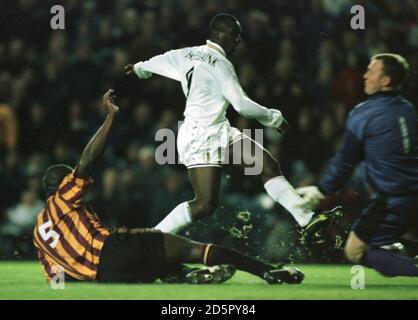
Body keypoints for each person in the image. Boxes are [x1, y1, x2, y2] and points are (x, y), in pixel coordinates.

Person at [33, 89, 304, 285]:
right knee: (195, 249)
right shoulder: (64, 197)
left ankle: (188, 275)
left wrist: (88, 276)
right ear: (57, 186)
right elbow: (87, 160)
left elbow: (57, 279)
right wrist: (110, 118)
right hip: (115, 249)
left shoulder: (38, 232)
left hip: (108, 277)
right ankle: (268, 271)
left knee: (156, 263)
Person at [125, 13, 333, 235]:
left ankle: (306, 218)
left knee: (267, 165)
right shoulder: (221, 64)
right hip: (200, 137)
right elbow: (241, 105)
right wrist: (274, 117)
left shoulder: (185, 54)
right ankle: (149, 240)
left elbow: (158, 61)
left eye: (239, 36)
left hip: (218, 129)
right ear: (218, 34)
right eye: (234, 35)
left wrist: (139, 68)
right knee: (204, 205)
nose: (238, 41)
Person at [297, 53, 418, 277]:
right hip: (412, 193)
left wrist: (321, 190)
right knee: (406, 235)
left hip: (392, 198)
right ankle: (391, 251)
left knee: (354, 251)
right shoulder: (408, 110)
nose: (365, 76)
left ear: (386, 80)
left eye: (371, 71)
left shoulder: (364, 113)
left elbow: (345, 161)